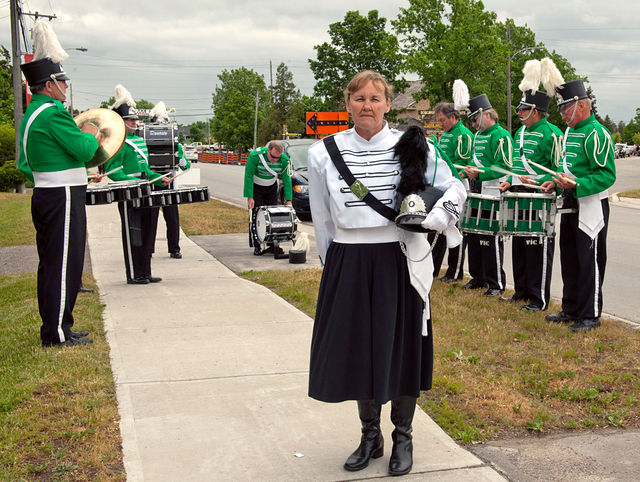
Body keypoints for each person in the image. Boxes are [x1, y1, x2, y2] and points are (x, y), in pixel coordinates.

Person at [307, 70, 466, 476]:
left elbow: (454, 187)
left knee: (401, 350)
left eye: (375, 99)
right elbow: (322, 220)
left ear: (388, 104)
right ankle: (369, 436)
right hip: (348, 259)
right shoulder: (324, 151)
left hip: (397, 257)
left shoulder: (411, 143)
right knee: (360, 351)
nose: (367, 106)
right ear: (348, 104)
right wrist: (333, 267)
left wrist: (435, 221)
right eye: (359, 98)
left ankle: (403, 438)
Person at [18, 21, 101, 347]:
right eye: (62, 81)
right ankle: (56, 332)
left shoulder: (33, 113)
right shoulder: (53, 113)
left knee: (54, 263)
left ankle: (60, 326)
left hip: (49, 192)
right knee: (63, 264)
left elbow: (26, 165)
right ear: (49, 84)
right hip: (62, 196)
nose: (66, 87)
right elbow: (83, 150)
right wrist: (91, 134)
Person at [541, 77, 616, 332]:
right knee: (570, 257)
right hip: (571, 200)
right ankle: (571, 308)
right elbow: (566, 167)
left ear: (581, 105)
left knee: (589, 260)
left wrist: (578, 184)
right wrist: (556, 182)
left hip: (591, 202)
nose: (562, 116)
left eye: (565, 110)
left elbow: (606, 174)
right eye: (560, 110)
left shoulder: (597, 133)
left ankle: (590, 314)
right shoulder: (571, 131)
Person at [498, 60, 564, 312]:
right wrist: (509, 181)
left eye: (522, 110)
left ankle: (539, 298)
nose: (518, 113)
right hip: (518, 192)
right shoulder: (520, 133)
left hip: (539, 196)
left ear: (535, 111)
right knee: (519, 242)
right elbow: (516, 165)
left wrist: (538, 182)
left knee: (537, 245)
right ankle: (522, 290)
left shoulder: (553, 133)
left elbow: (559, 171)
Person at [104, 85, 168, 284]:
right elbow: (113, 172)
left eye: (135, 119)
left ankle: (146, 271)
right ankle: (134, 273)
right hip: (129, 192)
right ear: (122, 122)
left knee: (149, 232)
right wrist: (132, 181)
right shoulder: (118, 143)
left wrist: (158, 177)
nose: (135, 122)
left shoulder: (140, 141)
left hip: (146, 190)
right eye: (131, 120)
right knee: (134, 234)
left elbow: (146, 171)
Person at [460, 92, 513, 296]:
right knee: (474, 234)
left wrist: (481, 173)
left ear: (486, 114)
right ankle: (478, 277)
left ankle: (496, 283)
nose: (473, 124)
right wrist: (466, 170)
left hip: (492, 190)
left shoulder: (501, 136)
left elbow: (505, 167)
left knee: (490, 237)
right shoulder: (477, 136)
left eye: (474, 119)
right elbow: (475, 161)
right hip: (476, 189)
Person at [432, 101, 473, 282]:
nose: (441, 124)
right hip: (443, 186)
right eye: (438, 121)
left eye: (443, 120)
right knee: (438, 227)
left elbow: (466, 163)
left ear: (453, 117)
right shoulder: (445, 135)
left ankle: (455, 272)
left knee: (455, 228)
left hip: (458, 186)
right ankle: (433, 267)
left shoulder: (464, 135)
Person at [243, 140, 292, 255]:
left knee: (273, 216)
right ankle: (257, 244)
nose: (274, 160)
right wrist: (250, 197)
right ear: (268, 150)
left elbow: (287, 180)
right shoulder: (255, 156)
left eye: (277, 158)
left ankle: (272, 243)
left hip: (271, 188)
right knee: (256, 215)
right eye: (273, 156)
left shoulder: (284, 160)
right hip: (256, 188)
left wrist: (288, 200)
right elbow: (248, 176)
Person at [159, 143, 191, 259]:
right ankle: (148, 249)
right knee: (150, 218)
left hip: (169, 182)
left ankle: (174, 249)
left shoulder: (176, 146)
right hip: (152, 180)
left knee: (172, 218)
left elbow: (185, 166)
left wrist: (183, 162)